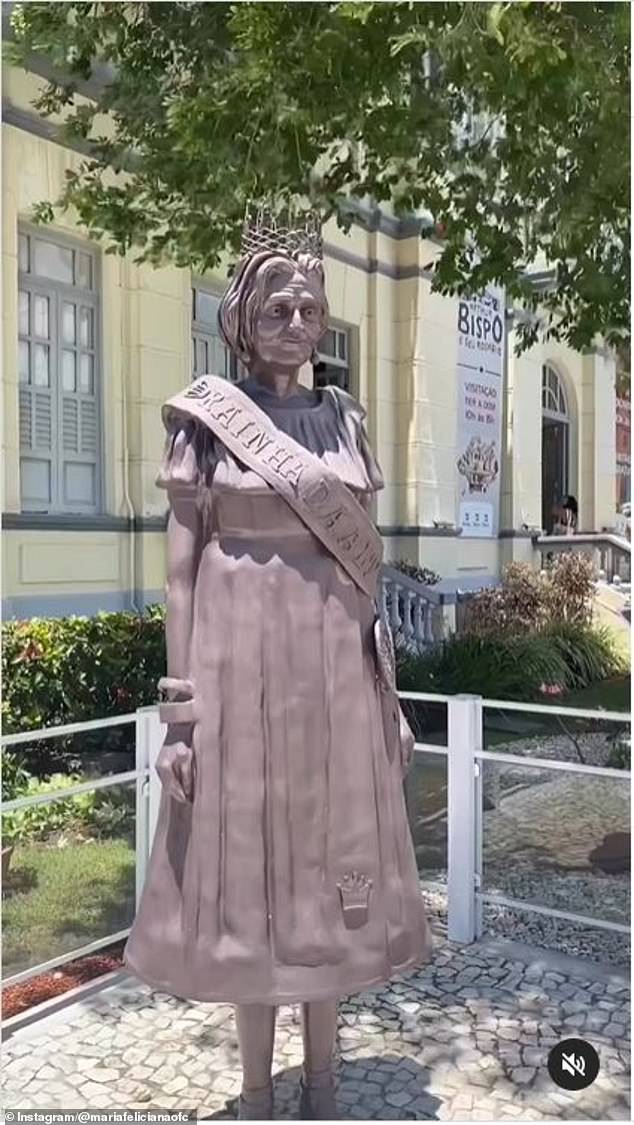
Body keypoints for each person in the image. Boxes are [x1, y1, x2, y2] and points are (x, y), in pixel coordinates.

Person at [123, 212, 433, 1120]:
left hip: (336, 673)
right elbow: (179, 573)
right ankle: (257, 1086)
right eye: (277, 306)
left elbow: (365, 573)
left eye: (309, 306)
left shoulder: (346, 420)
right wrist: (181, 711)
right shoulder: (204, 419)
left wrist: (391, 699)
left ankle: (326, 1077)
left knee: (325, 862)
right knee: (254, 872)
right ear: (242, 317)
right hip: (236, 668)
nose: (297, 322)